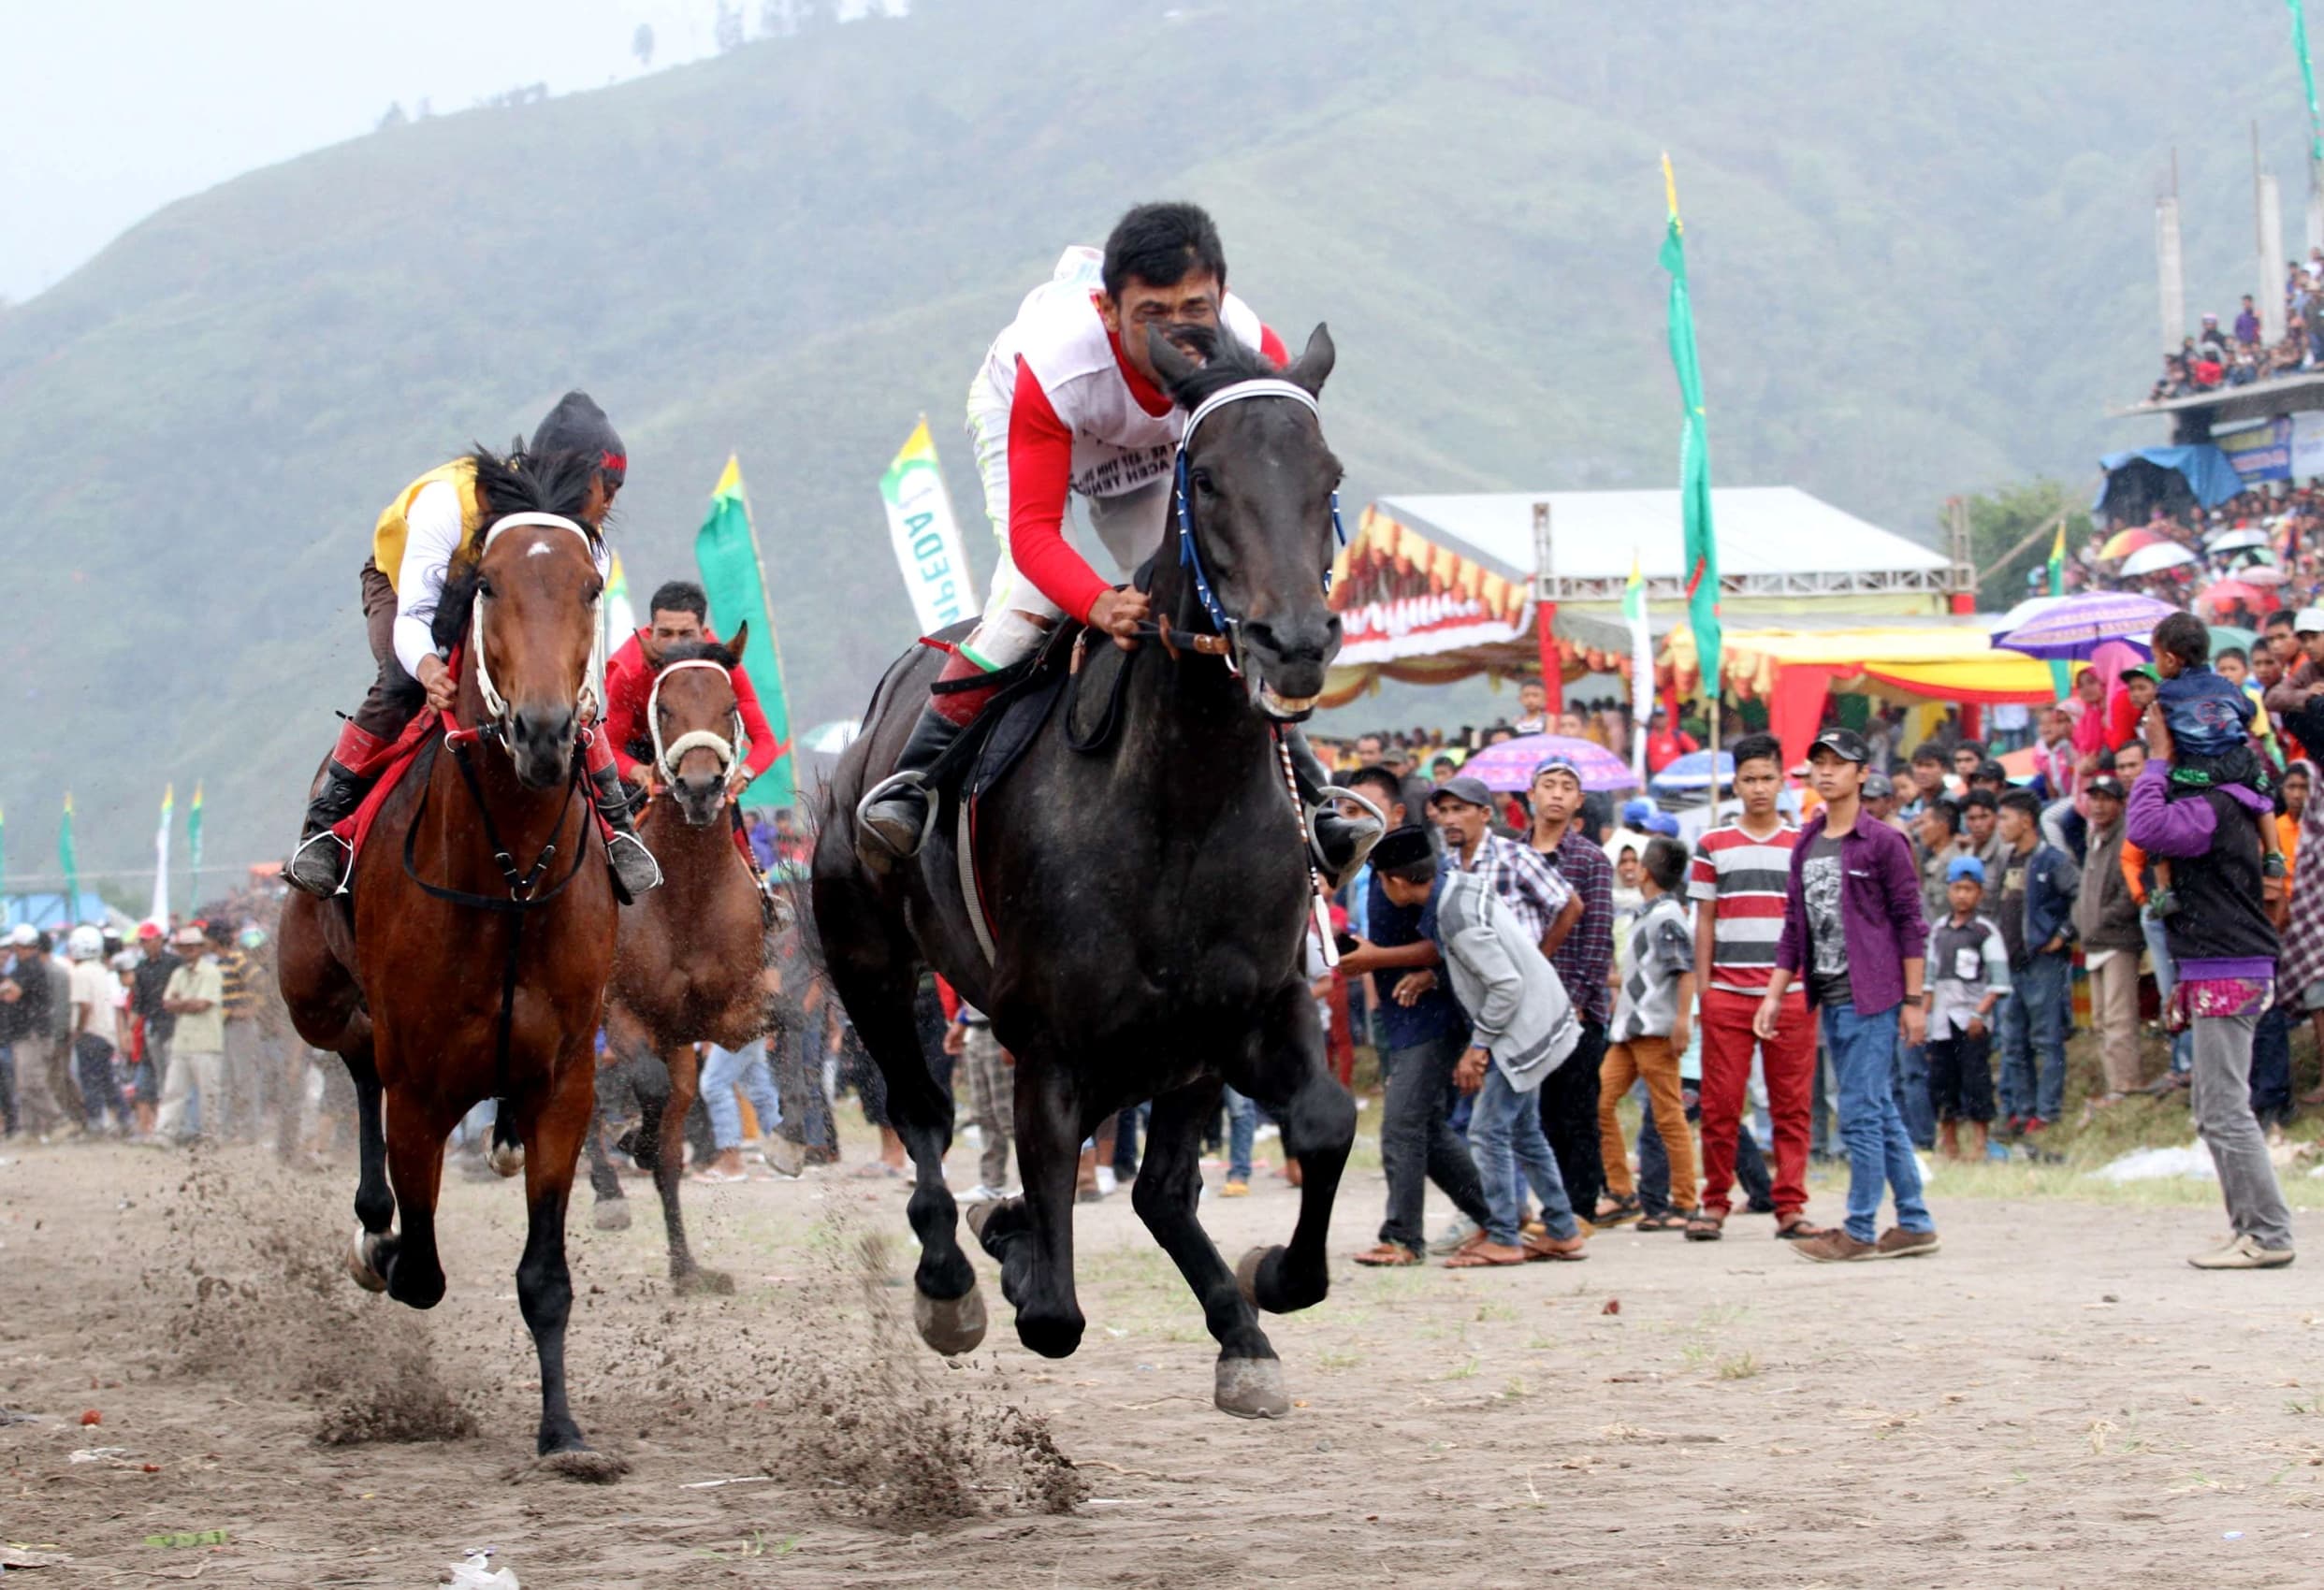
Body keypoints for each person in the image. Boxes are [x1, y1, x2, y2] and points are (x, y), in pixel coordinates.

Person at [857, 202, 1370, 883]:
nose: (1181, 332)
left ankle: (1313, 796)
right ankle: (909, 785)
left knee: (1215, 602)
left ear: (1223, 290)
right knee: (1028, 604)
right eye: (1152, 315)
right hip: (1050, 421)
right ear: (1107, 310)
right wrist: (1097, 602)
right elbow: (1034, 533)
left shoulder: (1254, 348)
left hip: (1162, 444)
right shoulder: (1054, 363)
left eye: (1196, 307)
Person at [284, 393, 661, 899]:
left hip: (503, 592)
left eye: (618, 489)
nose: (610, 503)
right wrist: (427, 667)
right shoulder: (450, 502)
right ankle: (326, 825)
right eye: (606, 487)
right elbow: (415, 617)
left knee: (562, 694)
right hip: (405, 587)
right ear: (564, 476)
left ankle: (617, 828)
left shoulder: (587, 548)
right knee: (399, 684)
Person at [1368, 828, 1586, 1268]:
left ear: (1396, 881)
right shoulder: (1458, 886)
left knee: (1488, 1131)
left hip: (1520, 1028)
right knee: (1525, 1132)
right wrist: (1435, 976)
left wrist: (1478, 1047)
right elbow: (1481, 963)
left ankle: (1504, 1236)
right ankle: (1562, 1230)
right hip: (1541, 1016)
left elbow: (1504, 983)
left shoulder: (1453, 917)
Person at [1760, 728, 1939, 1264]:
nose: (1827, 771)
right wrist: (1774, 994)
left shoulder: (1884, 842)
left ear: (1863, 773)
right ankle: (1914, 1221)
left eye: (1839, 763)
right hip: (1830, 993)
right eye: (1819, 762)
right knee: (1877, 1109)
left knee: (1859, 1111)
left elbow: (1911, 923)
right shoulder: (1807, 842)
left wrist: (1913, 1000)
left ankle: (1859, 1228)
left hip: (1877, 994)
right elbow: (1795, 924)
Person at [2128, 698, 2295, 1269]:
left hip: (2228, 966)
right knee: (2213, 1108)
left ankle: (2269, 1234)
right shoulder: (2235, 799)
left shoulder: (2210, 809)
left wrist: (2154, 762)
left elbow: (2145, 825)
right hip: (2221, 964)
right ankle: (2251, 1227)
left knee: (2225, 1108)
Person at [1686, 732, 1824, 1241]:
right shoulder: (1712, 844)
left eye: (1768, 778)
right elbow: (1704, 920)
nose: (1759, 788)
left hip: (1789, 996)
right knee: (1721, 1106)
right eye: (1750, 779)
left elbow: (1812, 921)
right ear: (1736, 784)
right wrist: (1705, 991)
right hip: (1726, 994)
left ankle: (1790, 1205)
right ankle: (1715, 1202)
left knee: (1791, 1105)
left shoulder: (1804, 843)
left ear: (1781, 779)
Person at [1341, 826, 1495, 1267]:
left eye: (1359, 809)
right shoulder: (1373, 870)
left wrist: (1376, 960)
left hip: (1434, 1018)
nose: (1350, 818)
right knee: (1426, 1128)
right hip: (1401, 1016)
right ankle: (1496, 1215)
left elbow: (1442, 947)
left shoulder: (1430, 884)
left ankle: (1404, 1237)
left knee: (1402, 1125)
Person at [1523, 754, 1616, 1227]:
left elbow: (1598, 939)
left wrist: (1576, 1003)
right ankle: (1544, 1207)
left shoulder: (1591, 860)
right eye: (1548, 784)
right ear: (1531, 795)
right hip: (1523, 1008)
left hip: (1576, 1009)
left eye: (1566, 787)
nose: (1556, 793)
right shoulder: (1511, 854)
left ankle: (1579, 1208)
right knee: (1532, 1115)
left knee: (1574, 1111)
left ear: (1578, 801)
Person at [600, 580, 789, 799]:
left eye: (686, 634)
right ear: (651, 633)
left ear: (703, 633)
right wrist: (637, 771)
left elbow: (765, 740)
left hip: (706, 754)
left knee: (731, 827)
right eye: (665, 634)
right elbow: (610, 748)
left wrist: (745, 772)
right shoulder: (629, 673)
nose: (676, 644)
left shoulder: (723, 667)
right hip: (643, 752)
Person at [1596, 838, 1698, 1232]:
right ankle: (1622, 1191)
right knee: (1600, 1102)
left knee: (1668, 1115)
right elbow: (1648, 973)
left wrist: (1681, 1021)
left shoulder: (1666, 917)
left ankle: (1686, 1200)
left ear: (1646, 872)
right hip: (1628, 1031)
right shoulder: (1646, 914)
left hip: (1654, 1030)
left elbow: (1684, 971)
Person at [1992, 787, 2079, 1135]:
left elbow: (2079, 895)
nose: (2000, 825)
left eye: (2005, 818)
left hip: (2044, 963)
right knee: (2014, 1043)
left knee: (2047, 1040)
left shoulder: (2053, 860)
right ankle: (2022, 1112)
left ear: (2027, 821)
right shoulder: (2009, 860)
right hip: (2013, 965)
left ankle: (2047, 1113)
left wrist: (2064, 933)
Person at [1428, 774, 1580, 955]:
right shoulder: (1449, 867)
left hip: (1521, 974)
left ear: (1485, 814)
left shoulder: (1515, 857)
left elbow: (1571, 905)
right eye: (1443, 811)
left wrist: (1540, 959)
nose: (1449, 820)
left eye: (1458, 809)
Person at [1925, 857, 2008, 1161]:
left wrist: (1979, 1014)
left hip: (1971, 1020)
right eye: (1957, 888)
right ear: (1948, 890)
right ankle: (1949, 1145)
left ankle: (1979, 1145)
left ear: (1980, 893)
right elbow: (1930, 979)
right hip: (1942, 1022)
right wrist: (1925, 1015)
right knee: (1941, 1082)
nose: (1962, 895)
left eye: (1969, 889)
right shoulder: (1939, 930)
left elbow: (1999, 981)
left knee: (1976, 1080)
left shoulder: (1985, 932)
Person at [2074, 775, 2146, 1104]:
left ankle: (2127, 1085)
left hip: (2117, 940)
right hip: (2095, 941)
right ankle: (2114, 1084)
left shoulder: (2126, 838)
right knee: (2102, 1019)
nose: (2098, 805)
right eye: (2094, 798)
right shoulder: (2095, 837)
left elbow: (2128, 895)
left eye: (2106, 798)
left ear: (2120, 803)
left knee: (2119, 1018)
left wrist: (2098, 922)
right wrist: (2082, 920)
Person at [155, 926, 225, 1144]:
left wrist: (181, 1002)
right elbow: (167, 1004)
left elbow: (202, 1004)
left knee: (209, 1094)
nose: (189, 950)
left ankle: (210, 1136)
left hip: (206, 1042)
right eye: (185, 947)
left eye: (192, 946)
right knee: (173, 1091)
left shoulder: (211, 972)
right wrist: (187, 1003)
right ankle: (165, 1134)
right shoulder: (178, 973)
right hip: (183, 1041)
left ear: (200, 948)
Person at [947, 1002, 1015, 1201]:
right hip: (976, 1029)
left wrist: (1011, 1031)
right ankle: (992, 1183)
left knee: (1009, 1112)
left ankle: (1031, 1184)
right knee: (984, 1112)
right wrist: (961, 1021)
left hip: (1001, 1027)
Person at [66, 925, 131, 1136]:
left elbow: (85, 1006)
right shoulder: (101, 970)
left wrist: (78, 1030)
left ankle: (95, 1124)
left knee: (90, 1081)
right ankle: (124, 1119)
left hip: (90, 1033)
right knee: (106, 1080)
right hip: (105, 1033)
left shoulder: (80, 973)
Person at [692, 1038, 784, 1183]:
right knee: (758, 1088)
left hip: (735, 1023)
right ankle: (785, 1158)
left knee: (715, 1085)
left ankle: (731, 1163)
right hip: (750, 1022)